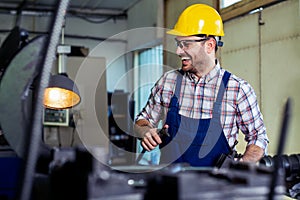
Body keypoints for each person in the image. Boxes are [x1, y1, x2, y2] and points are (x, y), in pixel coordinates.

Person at [134, 4, 269, 167]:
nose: (178, 51)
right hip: (170, 187)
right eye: (178, 43)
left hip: (216, 189)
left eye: (186, 44)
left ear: (210, 45)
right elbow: (142, 121)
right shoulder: (168, 82)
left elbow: (258, 137)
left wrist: (242, 167)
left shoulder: (237, 90)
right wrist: (145, 132)